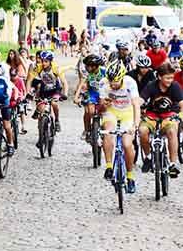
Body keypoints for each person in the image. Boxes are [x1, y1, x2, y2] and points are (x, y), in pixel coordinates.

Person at [99, 60, 140, 193]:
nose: (113, 84)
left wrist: (135, 124)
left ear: (122, 77)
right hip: (112, 111)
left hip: (128, 113)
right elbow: (101, 108)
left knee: (127, 144)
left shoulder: (130, 82)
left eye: (115, 81)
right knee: (108, 133)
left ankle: (130, 176)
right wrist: (104, 104)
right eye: (111, 81)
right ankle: (109, 167)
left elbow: (136, 105)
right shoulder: (103, 83)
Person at [139, 63, 182, 178]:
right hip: (152, 115)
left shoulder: (175, 86)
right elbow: (141, 99)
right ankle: (148, 157)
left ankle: (173, 164)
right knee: (142, 131)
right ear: (159, 77)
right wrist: (137, 105)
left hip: (169, 115)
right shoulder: (151, 85)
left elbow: (182, 103)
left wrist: (180, 116)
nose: (170, 80)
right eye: (167, 78)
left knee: (172, 132)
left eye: (172, 77)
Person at [26, 51, 68, 132]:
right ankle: (41, 134)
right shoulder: (38, 68)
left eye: (46, 61)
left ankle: (57, 121)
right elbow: (29, 81)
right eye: (42, 61)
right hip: (44, 89)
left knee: (54, 103)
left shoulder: (56, 68)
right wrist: (28, 93)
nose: (43, 63)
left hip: (55, 90)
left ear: (50, 61)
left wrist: (65, 94)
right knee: (41, 108)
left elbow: (64, 82)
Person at [73, 54, 105, 141]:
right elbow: (81, 85)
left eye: (88, 66)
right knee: (89, 111)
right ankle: (87, 130)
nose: (86, 67)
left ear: (95, 66)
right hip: (92, 93)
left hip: (104, 94)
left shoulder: (104, 72)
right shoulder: (87, 74)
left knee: (105, 112)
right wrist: (76, 97)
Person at [9, 67, 27, 135]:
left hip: (19, 98)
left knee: (21, 110)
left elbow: (24, 90)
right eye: (12, 75)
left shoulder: (20, 80)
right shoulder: (9, 80)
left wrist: (23, 97)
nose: (13, 77)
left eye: (14, 75)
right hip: (11, 98)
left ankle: (23, 126)